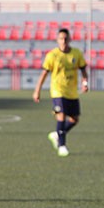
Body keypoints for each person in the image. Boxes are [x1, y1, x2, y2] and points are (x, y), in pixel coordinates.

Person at [32, 28, 89, 157]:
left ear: (69, 39)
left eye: (65, 38)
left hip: (72, 92)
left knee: (74, 119)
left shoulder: (76, 54)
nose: (63, 41)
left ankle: (57, 134)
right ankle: (62, 145)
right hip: (58, 91)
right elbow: (44, 74)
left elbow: (83, 69)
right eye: (61, 39)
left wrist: (85, 83)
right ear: (57, 40)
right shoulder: (52, 55)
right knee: (61, 116)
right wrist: (37, 91)